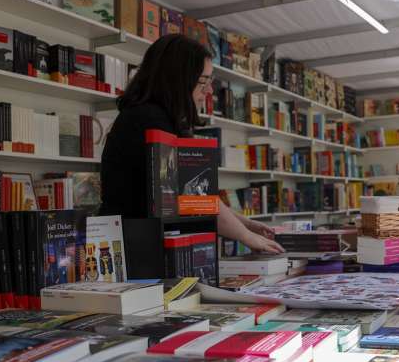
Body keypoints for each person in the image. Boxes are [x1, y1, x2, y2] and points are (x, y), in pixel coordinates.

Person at [100, 34, 283, 254]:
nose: (209, 91)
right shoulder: (150, 121)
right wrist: (247, 236)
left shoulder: (154, 117)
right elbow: (193, 197)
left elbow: (199, 195)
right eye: (203, 81)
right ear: (177, 80)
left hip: (136, 244)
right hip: (132, 251)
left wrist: (245, 224)